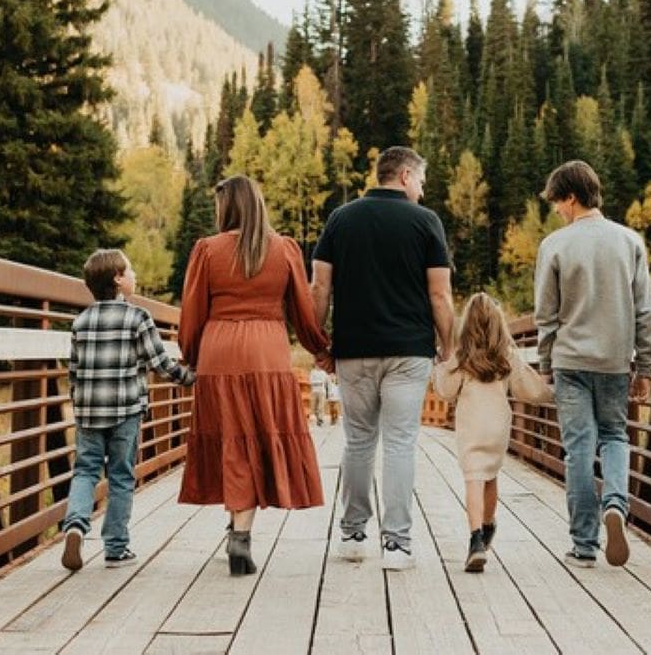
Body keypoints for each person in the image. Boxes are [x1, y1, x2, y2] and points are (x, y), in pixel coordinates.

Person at [177, 175, 330, 576]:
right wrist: (320, 348)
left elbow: (192, 314)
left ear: (228, 207)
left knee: (232, 436)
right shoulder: (283, 250)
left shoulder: (207, 251)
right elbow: (302, 310)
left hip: (219, 352)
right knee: (258, 437)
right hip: (267, 351)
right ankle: (240, 532)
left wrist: (191, 356)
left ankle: (237, 528)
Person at [311, 145, 455, 570]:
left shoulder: (341, 218)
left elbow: (319, 288)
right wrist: (450, 348)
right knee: (399, 443)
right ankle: (396, 544)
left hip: (354, 349)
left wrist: (319, 343)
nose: (424, 191)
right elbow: (440, 294)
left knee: (358, 441)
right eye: (423, 182)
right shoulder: (426, 222)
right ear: (406, 176)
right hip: (409, 351)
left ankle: (353, 534)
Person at [534, 160, 651, 569]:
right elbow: (644, 312)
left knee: (579, 451)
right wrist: (646, 366)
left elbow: (546, 316)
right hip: (615, 362)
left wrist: (545, 363)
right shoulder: (630, 241)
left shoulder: (554, 246)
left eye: (557, 203)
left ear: (571, 197)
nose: (557, 211)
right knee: (615, 436)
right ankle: (616, 506)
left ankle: (584, 544)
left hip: (571, 361)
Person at [61, 249, 195, 571]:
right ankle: (116, 548)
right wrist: (189, 378)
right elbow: (160, 364)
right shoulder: (138, 317)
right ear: (118, 281)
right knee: (121, 476)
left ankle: (76, 526)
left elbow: (74, 372)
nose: (135, 276)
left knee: (85, 471)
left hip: (89, 413)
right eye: (130, 270)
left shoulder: (81, 321)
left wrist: (79, 405)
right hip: (125, 411)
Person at [432, 292, 553, 573]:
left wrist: (439, 366)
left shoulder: (462, 358)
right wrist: (552, 393)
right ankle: (487, 527)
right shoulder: (507, 356)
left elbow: (446, 391)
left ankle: (475, 540)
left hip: (471, 427)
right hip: (498, 428)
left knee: (473, 478)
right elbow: (529, 388)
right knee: (490, 476)